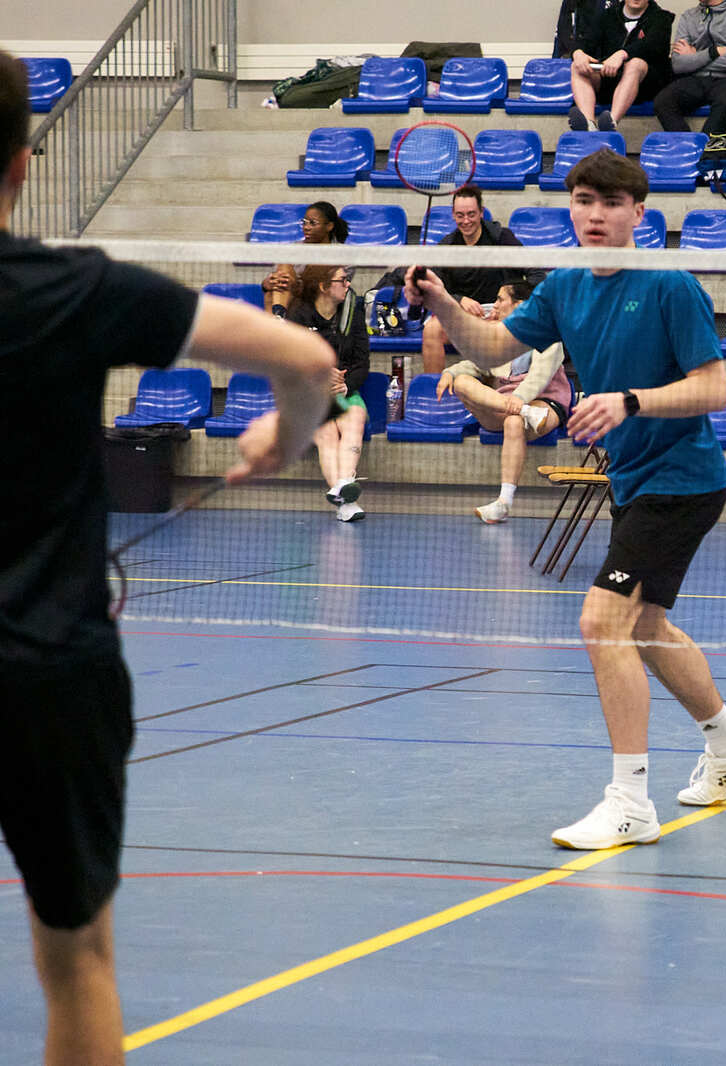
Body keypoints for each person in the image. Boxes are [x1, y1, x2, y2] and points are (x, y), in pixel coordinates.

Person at [0, 50, 331, 1066]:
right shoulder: (72, 291)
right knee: (78, 959)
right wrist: (284, 435)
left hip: (57, 675)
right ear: (22, 163)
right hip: (51, 679)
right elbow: (308, 358)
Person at [405, 149, 726, 850]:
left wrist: (628, 401)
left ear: (638, 213)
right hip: (634, 479)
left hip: (682, 480)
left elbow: (713, 389)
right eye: (583, 201)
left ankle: (630, 802)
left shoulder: (669, 287)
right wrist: (444, 304)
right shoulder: (566, 286)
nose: (595, 214)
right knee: (646, 627)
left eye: (610, 203)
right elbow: (492, 346)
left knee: (602, 622)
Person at [434, 280, 575, 524]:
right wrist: (450, 372)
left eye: (500, 299)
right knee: (462, 382)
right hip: (509, 405)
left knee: (513, 422)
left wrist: (519, 400)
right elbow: (478, 364)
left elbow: (539, 378)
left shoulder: (549, 336)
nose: (495, 304)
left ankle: (503, 503)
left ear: (519, 305)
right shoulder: (501, 338)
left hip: (544, 402)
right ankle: (525, 412)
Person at [287, 265, 370, 521]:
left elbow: (362, 363)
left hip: (343, 390)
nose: (348, 284)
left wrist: (346, 385)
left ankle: (342, 488)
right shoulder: (298, 315)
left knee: (355, 417)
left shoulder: (353, 311)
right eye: (342, 280)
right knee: (326, 432)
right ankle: (346, 500)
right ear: (324, 286)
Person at [419, 185, 526, 374]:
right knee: (431, 330)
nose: (466, 221)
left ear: (481, 213)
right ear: (453, 215)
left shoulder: (501, 238)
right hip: (460, 314)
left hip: (498, 314)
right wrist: (459, 300)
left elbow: (534, 273)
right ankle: (434, 388)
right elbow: (434, 290)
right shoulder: (447, 246)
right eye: (460, 215)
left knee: (496, 334)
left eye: (471, 214)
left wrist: (506, 306)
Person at [568, 0, 675, 132]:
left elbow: (652, 45)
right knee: (577, 66)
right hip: (609, 79)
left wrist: (622, 54)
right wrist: (578, 53)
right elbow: (585, 40)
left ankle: (610, 123)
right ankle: (589, 125)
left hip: (645, 86)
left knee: (635, 63)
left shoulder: (661, 18)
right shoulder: (607, 15)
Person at [654, 0, 726, 135]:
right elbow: (678, 64)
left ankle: (706, 147)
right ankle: (688, 145)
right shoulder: (688, 16)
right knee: (663, 101)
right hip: (696, 78)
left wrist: (694, 56)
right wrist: (713, 52)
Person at [260, 200, 346, 318]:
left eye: (312, 223)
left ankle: (278, 319)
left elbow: (338, 287)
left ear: (329, 226)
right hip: (291, 299)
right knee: (278, 278)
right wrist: (267, 284)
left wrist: (297, 284)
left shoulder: (342, 253)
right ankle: (279, 316)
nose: (306, 227)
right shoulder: (292, 249)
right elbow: (277, 278)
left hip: (321, 302)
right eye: (304, 222)